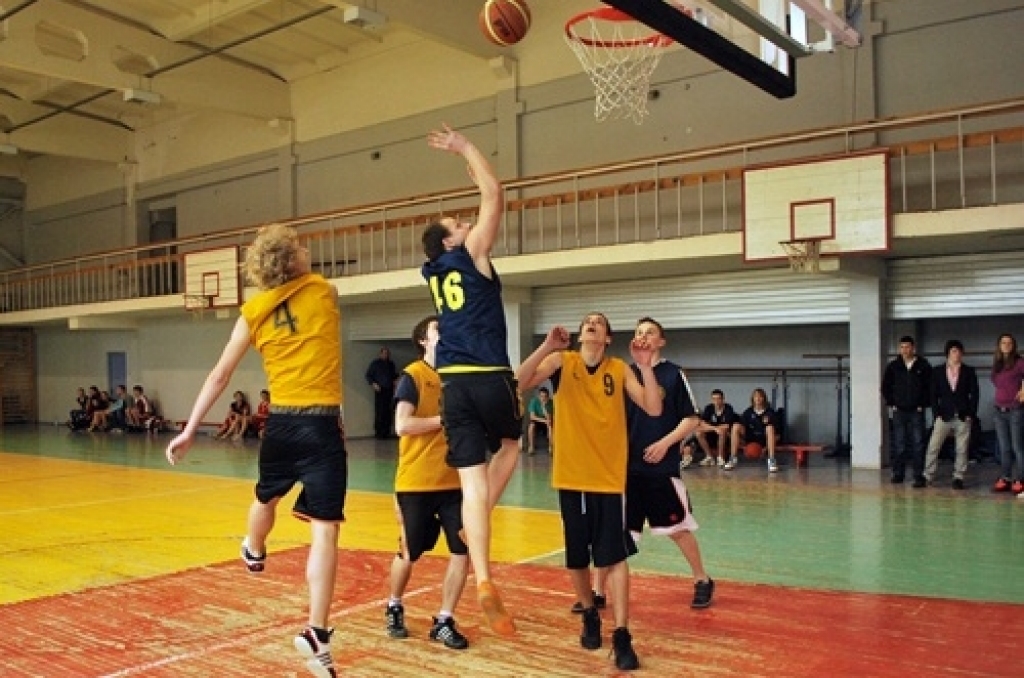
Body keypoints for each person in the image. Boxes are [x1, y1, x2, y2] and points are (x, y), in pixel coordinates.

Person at [165, 223, 347, 678]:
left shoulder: (251, 312)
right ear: (292, 261)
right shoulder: (323, 290)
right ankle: (316, 630)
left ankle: (253, 546)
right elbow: (313, 290)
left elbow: (219, 375)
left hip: (281, 423)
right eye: (301, 248)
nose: (309, 251)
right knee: (325, 533)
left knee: (266, 495)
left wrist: (189, 430)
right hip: (322, 424)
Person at [517, 312, 663, 672]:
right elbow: (518, 383)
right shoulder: (562, 361)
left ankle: (623, 634)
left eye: (598, 321)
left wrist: (644, 365)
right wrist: (546, 345)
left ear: (607, 337)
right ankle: (589, 615)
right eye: (587, 321)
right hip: (571, 476)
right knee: (578, 557)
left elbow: (653, 407)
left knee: (614, 557)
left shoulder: (618, 368)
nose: (591, 323)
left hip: (609, 479)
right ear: (581, 335)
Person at [420, 123, 522, 637]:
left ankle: (482, 577)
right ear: (450, 241)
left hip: (453, 386)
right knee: (510, 445)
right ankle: (478, 523)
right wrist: (467, 149)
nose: (468, 224)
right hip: (488, 377)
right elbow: (495, 193)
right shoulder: (471, 254)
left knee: (470, 484)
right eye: (459, 224)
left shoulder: (436, 272)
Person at [385, 316, 470, 650]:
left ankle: (445, 619)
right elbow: (402, 425)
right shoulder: (413, 376)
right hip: (416, 482)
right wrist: (442, 420)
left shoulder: (458, 378)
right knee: (410, 552)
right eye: (439, 330)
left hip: (455, 483)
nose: (446, 334)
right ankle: (394, 604)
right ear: (424, 340)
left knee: (463, 550)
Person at [625, 317, 714, 607]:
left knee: (677, 528)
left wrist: (665, 443)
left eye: (650, 333)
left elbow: (691, 419)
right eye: (639, 333)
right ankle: (600, 590)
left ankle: (702, 579)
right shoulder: (624, 374)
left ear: (661, 341)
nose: (644, 337)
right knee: (618, 532)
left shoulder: (674, 375)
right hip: (625, 468)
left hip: (661, 469)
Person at [923, 340, 978, 490]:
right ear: (948, 353)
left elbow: (974, 394)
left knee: (962, 448)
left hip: (962, 414)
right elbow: (933, 395)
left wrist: (970, 414)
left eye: (959, 351)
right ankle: (928, 475)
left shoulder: (969, 371)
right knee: (933, 446)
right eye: (954, 351)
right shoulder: (937, 371)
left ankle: (958, 477)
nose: (957, 354)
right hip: (943, 414)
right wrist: (936, 414)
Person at [881, 336, 932, 487]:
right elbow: (886, 387)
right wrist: (891, 403)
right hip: (899, 411)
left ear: (913, 348)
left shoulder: (923, 365)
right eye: (902, 347)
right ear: (899, 349)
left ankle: (918, 475)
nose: (905, 350)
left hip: (917, 410)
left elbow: (930, 387)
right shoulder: (893, 366)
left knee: (918, 443)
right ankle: (898, 473)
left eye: (907, 347)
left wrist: (923, 404)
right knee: (899, 443)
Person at [990, 333, 1024, 496]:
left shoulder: (1019, 362)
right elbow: (996, 382)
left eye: (1009, 342)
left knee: (1017, 446)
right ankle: (1006, 477)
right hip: (999, 410)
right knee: (1004, 448)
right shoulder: (997, 364)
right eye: (1003, 342)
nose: (1006, 345)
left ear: (1013, 345)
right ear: (999, 345)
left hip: (1015, 410)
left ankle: (1020, 479)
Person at [725, 388, 780, 473]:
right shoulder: (748, 412)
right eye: (756, 396)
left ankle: (771, 460)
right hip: (750, 438)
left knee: (770, 428)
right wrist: (742, 445)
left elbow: (777, 435)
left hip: (763, 439)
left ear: (764, 398)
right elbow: (741, 429)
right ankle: (733, 458)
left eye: (760, 397)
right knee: (736, 426)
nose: (758, 399)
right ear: (753, 399)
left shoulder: (770, 412)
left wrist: (766, 448)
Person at [694, 389, 737, 468]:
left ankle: (720, 457)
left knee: (722, 431)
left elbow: (727, 425)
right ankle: (709, 457)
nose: (716, 401)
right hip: (711, 433)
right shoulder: (709, 408)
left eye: (718, 399)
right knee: (698, 432)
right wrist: (714, 428)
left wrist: (716, 429)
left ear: (723, 399)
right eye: (714, 399)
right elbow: (702, 423)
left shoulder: (728, 408)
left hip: (725, 436)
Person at [366, 347, 398, 439]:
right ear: (380, 354)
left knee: (388, 411)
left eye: (387, 353)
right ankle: (379, 432)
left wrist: (396, 380)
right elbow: (368, 375)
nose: (385, 355)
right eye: (384, 353)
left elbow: (393, 375)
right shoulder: (375, 364)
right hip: (380, 390)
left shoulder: (391, 364)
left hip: (389, 390)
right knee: (380, 411)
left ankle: (386, 432)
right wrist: (373, 384)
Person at [526, 386, 553, 455]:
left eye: (545, 396)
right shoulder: (534, 401)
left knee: (550, 427)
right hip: (538, 420)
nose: (543, 398)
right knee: (531, 426)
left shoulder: (550, 402)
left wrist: (544, 408)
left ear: (548, 396)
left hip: (546, 421)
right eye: (541, 396)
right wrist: (544, 421)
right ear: (538, 396)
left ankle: (550, 447)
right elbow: (532, 417)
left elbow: (549, 418)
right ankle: (531, 447)